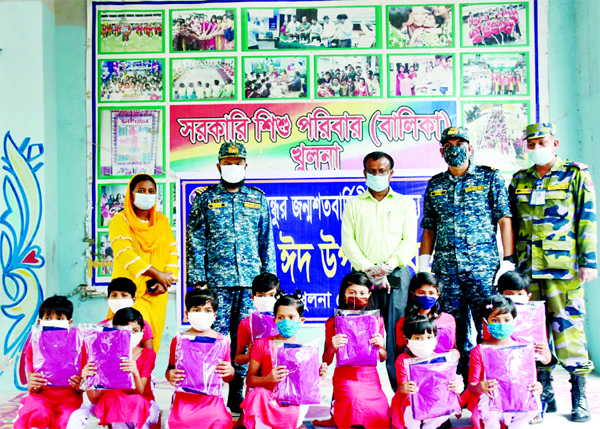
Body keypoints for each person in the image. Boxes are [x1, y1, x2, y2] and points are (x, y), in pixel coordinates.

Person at [509, 122, 597, 422]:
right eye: (530, 144)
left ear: (554, 143)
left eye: (541, 142)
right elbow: (513, 223)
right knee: (531, 333)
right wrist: (510, 262)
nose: (535, 148)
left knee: (568, 330)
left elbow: (587, 218)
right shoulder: (519, 179)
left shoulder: (575, 173)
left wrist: (589, 261)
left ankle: (579, 395)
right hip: (527, 270)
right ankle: (543, 394)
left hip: (563, 269)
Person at [186, 141, 276, 412]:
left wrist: (269, 279)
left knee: (246, 341)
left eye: (237, 163)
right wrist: (198, 279)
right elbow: (195, 240)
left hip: (251, 285)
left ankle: (237, 396)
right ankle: (209, 392)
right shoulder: (204, 198)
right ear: (219, 166)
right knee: (215, 337)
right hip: (216, 283)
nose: (233, 167)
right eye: (227, 163)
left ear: (245, 165)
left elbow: (266, 239)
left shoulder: (258, 198)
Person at [419, 127, 514, 382]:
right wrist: (424, 264)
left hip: (483, 270)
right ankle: (460, 387)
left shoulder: (489, 178)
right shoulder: (435, 184)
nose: (455, 148)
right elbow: (429, 227)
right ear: (442, 151)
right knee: (453, 330)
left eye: (460, 143)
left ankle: (492, 384)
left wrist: (508, 260)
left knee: (489, 327)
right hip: (446, 272)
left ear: (470, 147)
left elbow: (504, 220)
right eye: (448, 144)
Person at [341, 151, 418, 390]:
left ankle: (402, 394)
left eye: (382, 171)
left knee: (397, 336)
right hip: (362, 281)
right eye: (372, 171)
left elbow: (408, 241)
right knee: (361, 336)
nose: (377, 175)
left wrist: (386, 267)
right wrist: (369, 270)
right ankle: (361, 398)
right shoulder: (353, 204)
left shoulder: (405, 203)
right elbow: (348, 241)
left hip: (396, 276)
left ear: (391, 173)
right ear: (364, 173)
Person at [108, 174, 178, 352]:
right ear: (131, 194)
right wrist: (158, 274)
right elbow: (125, 254)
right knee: (125, 345)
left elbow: (172, 253)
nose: (146, 194)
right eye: (141, 191)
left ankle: (146, 380)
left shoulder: (162, 222)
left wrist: (165, 282)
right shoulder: (120, 220)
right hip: (128, 294)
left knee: (150, 347)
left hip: (156, 294)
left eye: (151, 191)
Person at [240, 291, 328, 429]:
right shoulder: (263, 344)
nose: (286, 321)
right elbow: (250, 380)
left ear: (301, 320)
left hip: (291, 403)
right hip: (267, 402)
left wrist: (317, 376)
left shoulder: (305, 351)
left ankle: (293, 423)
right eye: (281, 317)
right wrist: (268, 378)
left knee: (300, 403)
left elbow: (305, 389)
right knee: (257, 394)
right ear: (275, 320)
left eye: (292, 317)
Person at [321, 272, 390, 429]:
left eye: (361, 293)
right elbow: (326, 359)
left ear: (369, 294)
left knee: (379, 412)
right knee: (355, 402)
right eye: (351, 292)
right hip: (345, 378)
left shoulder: (376, 320)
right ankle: (337, 407)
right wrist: (333, 346)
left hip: (370, 378)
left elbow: (382, 357)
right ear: (344, 294)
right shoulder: (333, 322)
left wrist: (380, 347)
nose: (356, 296)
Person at [464, 295, 543, 429]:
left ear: (514, 321)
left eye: (507, 320)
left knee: (535, 403)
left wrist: (537, 387)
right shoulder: (479, 350)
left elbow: (530, 379)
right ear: (485, 321)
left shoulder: (523, 348)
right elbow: (472, 386)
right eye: (495, 320)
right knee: (488, 406)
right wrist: (481, 387)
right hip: (492, 403)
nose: (502, 324)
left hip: (517, 400)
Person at [14, 296, 89, 429]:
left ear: (69, 322)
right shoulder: (34, 345)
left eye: (59, 319)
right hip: (41, 397)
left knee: (67, 423)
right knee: (34, 415)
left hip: (70, 399)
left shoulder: (80, 344)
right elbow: (32, 389)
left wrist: (81, 384)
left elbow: (84, 385)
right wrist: (33, 384)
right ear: (40, 321)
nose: (53, 322)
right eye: (48, 318)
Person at [166, 288, 235, 428]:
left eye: (207, 310)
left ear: (215, 315)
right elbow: (170, 369)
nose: (202, 314)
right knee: (182, 422)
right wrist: (170, 375)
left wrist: (230, 371)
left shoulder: (222, 341)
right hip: (185, 400)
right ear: (187, 314)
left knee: (220, 422)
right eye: (196, 310)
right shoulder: (179, 340)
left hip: (212, 400)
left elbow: (228, 377)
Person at [84, 308, 160, 429]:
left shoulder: (148, 354)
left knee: (134, 403)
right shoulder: (107, 355)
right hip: (115, 406)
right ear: (114, 332)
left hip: (141, 404)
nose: (130, 335)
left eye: (135, 331)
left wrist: (135, 373)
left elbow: (140, 393)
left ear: (142, 331)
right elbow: (94, 399)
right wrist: (88, 379)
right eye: (125, 331)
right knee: (112, 399)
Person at [391, 316, 463, 429]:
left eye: (429, 337)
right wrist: (405, 388)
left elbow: (450, 380)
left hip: (433, 399)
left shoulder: (440, 359)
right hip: (411, 401)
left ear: (435, 338)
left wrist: (457, 386)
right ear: (407, 341)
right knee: (410, 406)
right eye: (418, 338)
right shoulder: (403, 360)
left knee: (444, 404)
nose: (425, 342)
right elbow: (401, 389)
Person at [395, 273, 457, 356]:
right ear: (413, 295)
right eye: (421, 293)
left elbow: (453, 348)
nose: (426, 297)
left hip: (444, 366)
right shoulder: (403, 322)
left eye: (431, 293)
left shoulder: (448, 319)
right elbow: (400, 351)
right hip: (417, 367)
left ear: (438, 295)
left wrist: (455, 354)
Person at [99, 277, 153, 350]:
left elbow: (149, 356)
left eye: (124, 295)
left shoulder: (143, 325)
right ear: (108, 299)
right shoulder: (101, 327)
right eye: (114, 295)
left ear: (133, 300)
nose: (119, 299)